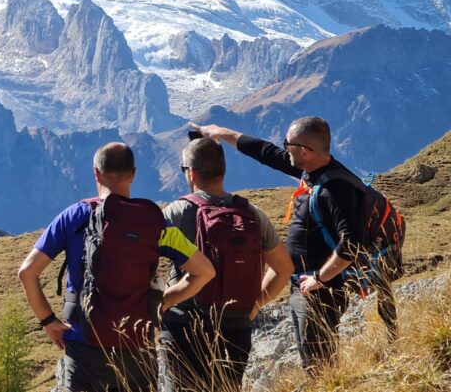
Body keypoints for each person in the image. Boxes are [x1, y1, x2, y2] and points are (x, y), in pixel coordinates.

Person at [18, 142, 216, 392]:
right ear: (133, 174)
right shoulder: (155, 223)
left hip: (83, 347)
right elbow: (205, 271)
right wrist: (163, 302)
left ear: (96, 173)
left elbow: (27, 272)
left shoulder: (75, 216)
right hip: (137, 348)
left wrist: (48, 321)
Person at [192, 117, 365, 373]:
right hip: (303, 286)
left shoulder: (334, 189)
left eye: (288, 144)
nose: (284, 148)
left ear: (305, 151)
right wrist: (220, 133)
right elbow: (265, 152)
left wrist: (319, 278)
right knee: (313, 358)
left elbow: (352, 243)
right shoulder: (311, 170)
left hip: (322, 292)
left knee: (318, 362)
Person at [160, 137, 294, 391]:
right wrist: (256, 303)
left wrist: (162, 300)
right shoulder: (252, 213)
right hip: (236, 326)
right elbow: (284, 268)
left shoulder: (176, 213)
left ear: (192, 173)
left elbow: (141, 255)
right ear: (223, 170)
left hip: (185, 326)